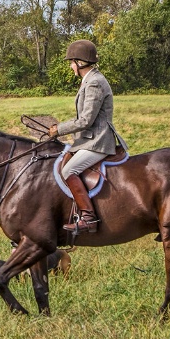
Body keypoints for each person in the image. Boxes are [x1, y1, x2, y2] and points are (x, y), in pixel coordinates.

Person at [46, 40, 125, 234]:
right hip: (88, 139)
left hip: (98, 141)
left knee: (69, 170)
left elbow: (86, 120)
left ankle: (88, 217)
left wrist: (60, 129)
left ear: (80, 62)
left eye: (72, 62)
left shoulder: (95, 82)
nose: (71, 66)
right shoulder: (89, 80)